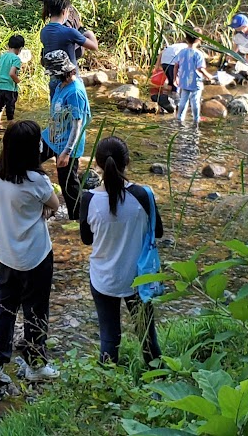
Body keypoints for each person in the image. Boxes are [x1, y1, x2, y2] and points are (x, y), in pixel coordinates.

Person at [0, 120, 62, 384]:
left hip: (5, 253)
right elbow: (55, 204)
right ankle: (35, 366)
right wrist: (45, 211)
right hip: (35, 255)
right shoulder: (37, 180)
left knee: (5, 307)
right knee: (35, 311)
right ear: (33, 150)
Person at [77, 137, 162, 365]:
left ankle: (107, 386)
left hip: (104, 278)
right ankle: (158, 380)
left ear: (98, 165)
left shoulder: (89, 199)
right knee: (147, 335)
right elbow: (158, 231)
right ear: (128, 162)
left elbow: (86, 239)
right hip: (137, 277)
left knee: (109, 338)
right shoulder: (143, 195)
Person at [41, 50, 91, 209]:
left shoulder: (75, 92)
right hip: (52, 137)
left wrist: (67, 152)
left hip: (67, 144)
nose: (53, 77)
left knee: (68, 184)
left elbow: (78, 124)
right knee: (28, 161)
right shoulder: (61, 85)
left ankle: (78, 217)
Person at [38, 0, 97, 93]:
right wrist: (90, 34)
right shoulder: (70, 32)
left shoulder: (44, 32)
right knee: (76, 109)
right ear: (64, 11)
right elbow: (94, 46)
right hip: (72, 82)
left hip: (54, 81)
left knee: (57, 108)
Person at [173, 35, 210, 127]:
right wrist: (208, 76)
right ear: (198, 40)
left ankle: (180, 117)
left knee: (183, 100)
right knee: (195, 101)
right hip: (195, 81)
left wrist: (175, 77)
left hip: (184, 80)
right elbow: (200, 68)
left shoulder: (182, 52)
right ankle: (196, 118)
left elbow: (176, 65)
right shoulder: (198, 54)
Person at [0, 35, 26, 130]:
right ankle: (11, 129)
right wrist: (18, 80)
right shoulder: (16, 59)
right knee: (10, 110)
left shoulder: (1, 57)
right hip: (9, 88)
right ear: (20, 49)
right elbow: (12, 73)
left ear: (9, 45)